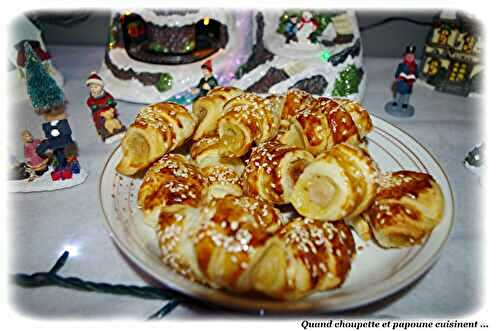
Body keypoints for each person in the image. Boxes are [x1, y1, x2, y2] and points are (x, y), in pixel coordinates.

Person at [86, 72, 126, 143]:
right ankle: (106, 133)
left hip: (110, 113)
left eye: (96, 87)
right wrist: (96, 107)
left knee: (115, 121)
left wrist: (111, 103)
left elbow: (111, 100)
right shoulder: (91, 99)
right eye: (91, 87)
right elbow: (90, 104)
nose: (93, 89)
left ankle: (119, 129)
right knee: (103, 123)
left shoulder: (106, 95)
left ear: (101, 87)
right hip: (100, 115)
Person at [392, 45, 418, 111]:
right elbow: (397, 73)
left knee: (406, 95)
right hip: (401, 82)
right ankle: (395, 102)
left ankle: (405, 104)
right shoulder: (401, 65)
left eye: (411, 56)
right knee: (398, 94)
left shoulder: (415, 66)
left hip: (409, 84)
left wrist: (413, 77)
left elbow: (416, 74)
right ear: (405, 56)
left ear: (414, 57)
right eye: (408, 56)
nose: (409, 57)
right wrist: (398, 77)